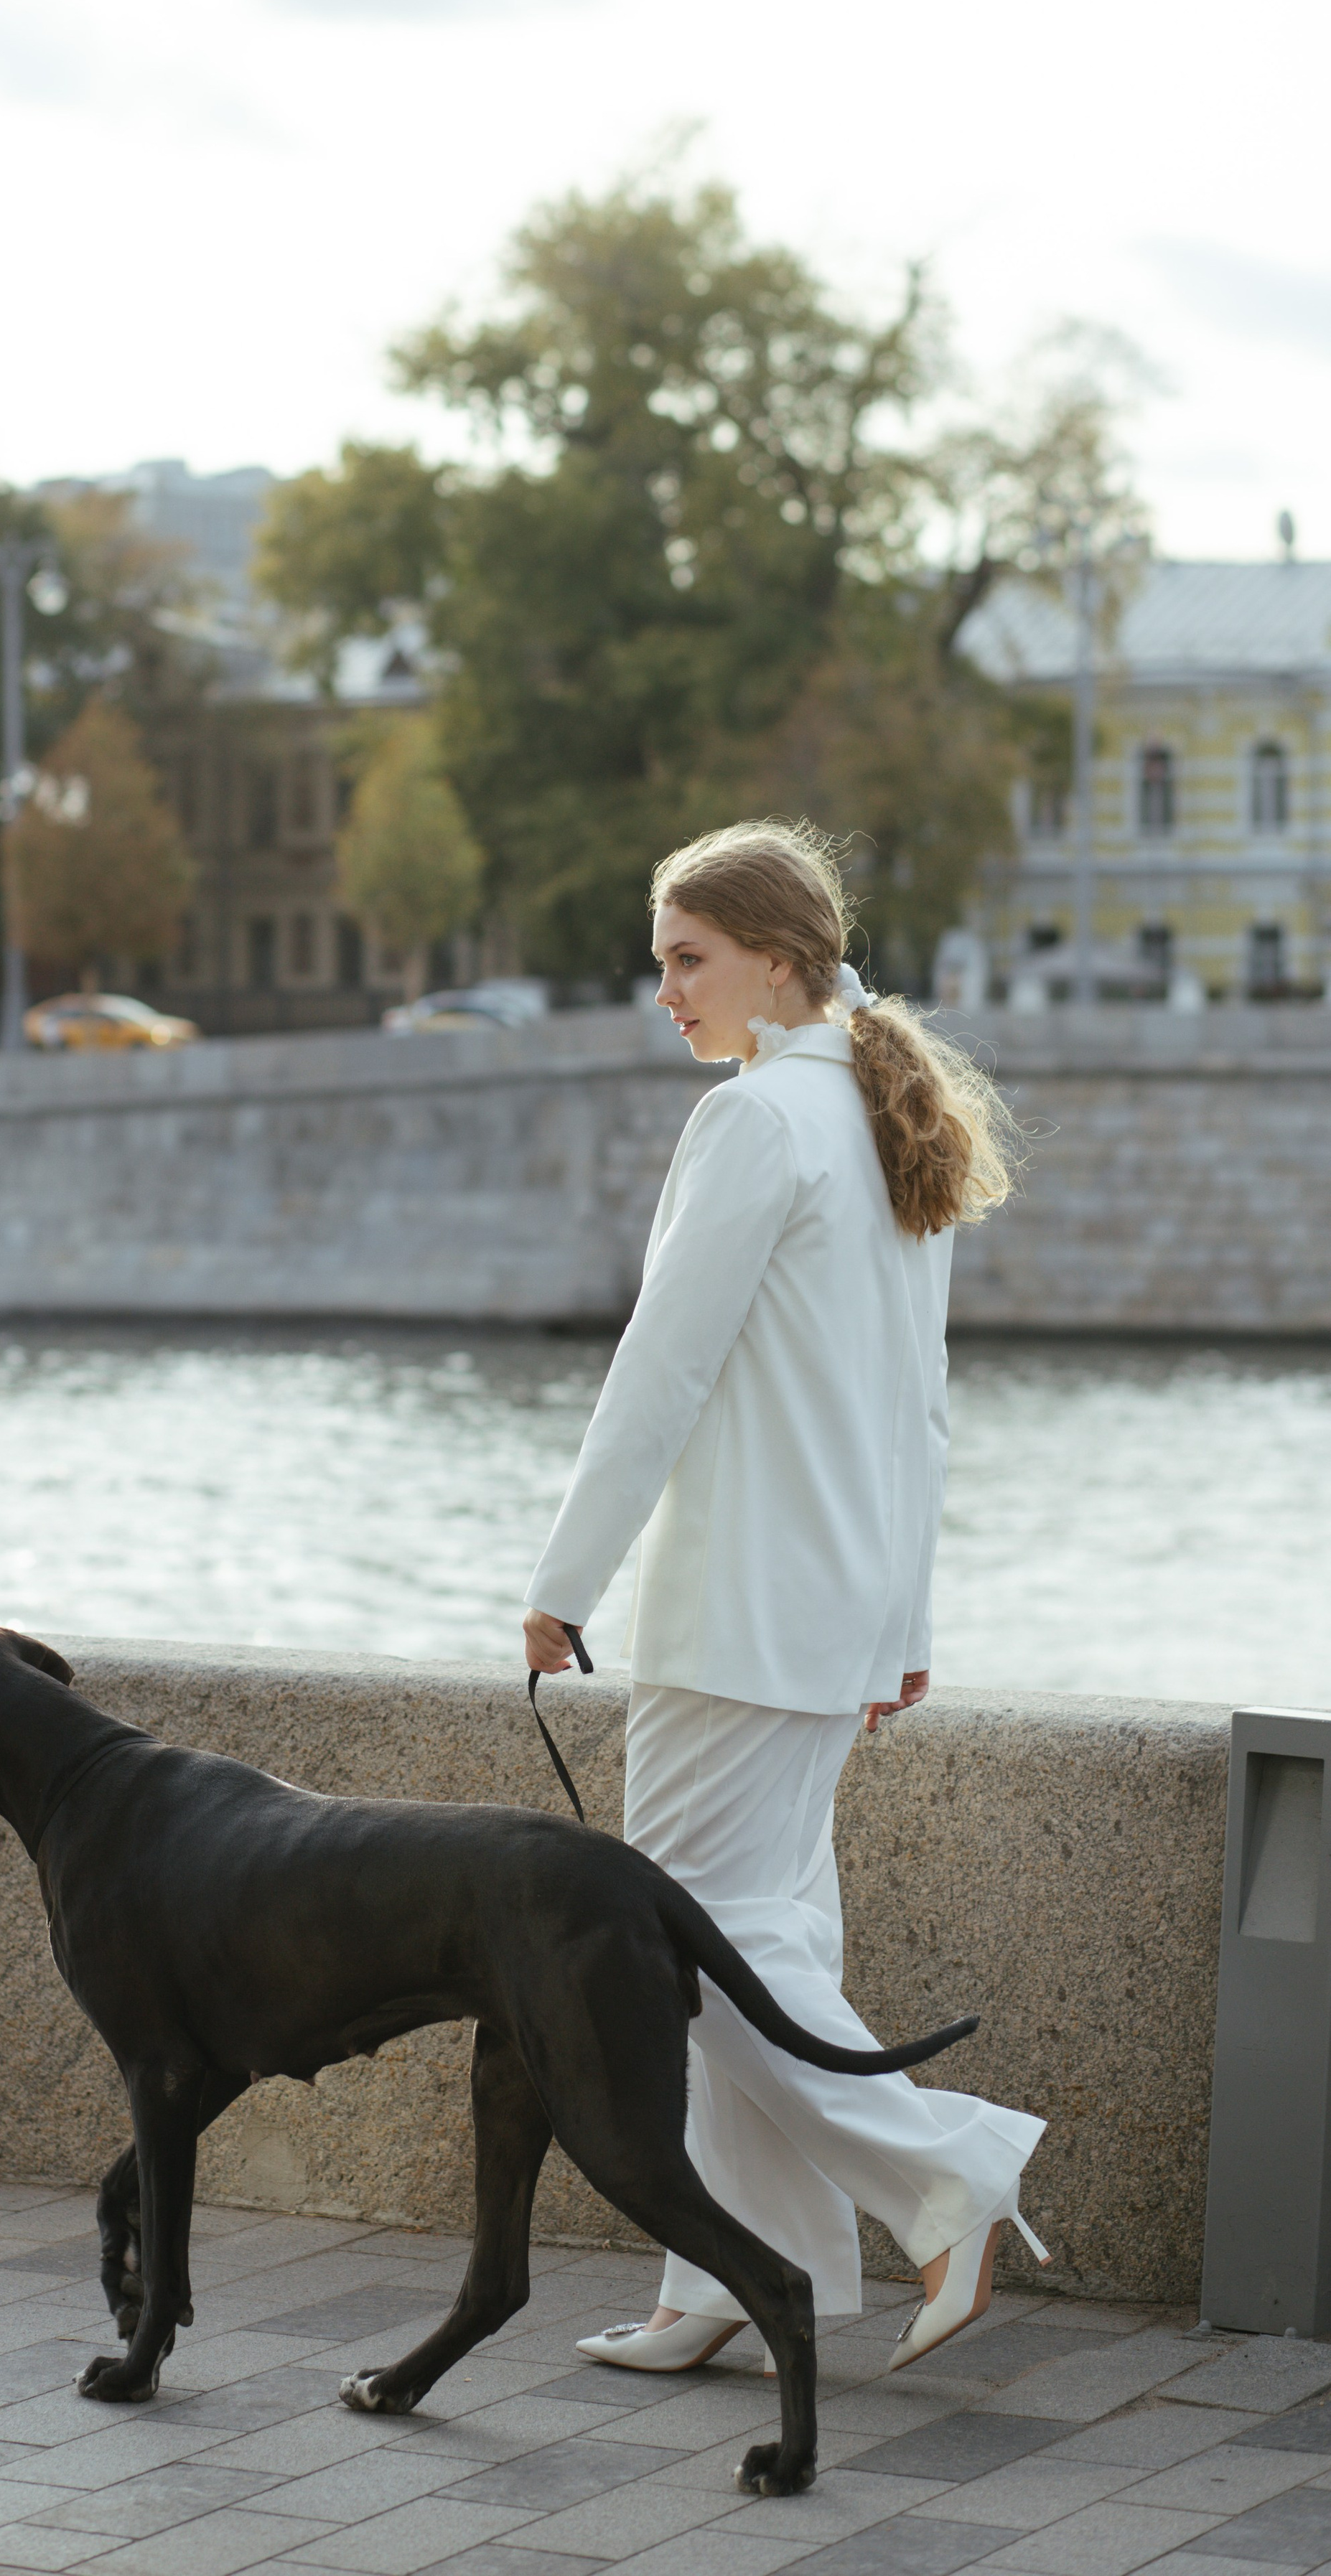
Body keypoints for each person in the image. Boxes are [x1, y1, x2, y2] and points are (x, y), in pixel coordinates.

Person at [523, 819, 1047, 2377]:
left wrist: (562, 1580)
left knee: (686, 1942)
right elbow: (919, 1411)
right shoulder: (882, 1125)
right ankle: (741, 2283)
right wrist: (904, 1626)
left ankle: (938, 2178)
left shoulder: (756, 1125)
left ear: (774, 958)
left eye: (686, 959)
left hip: (739, 1616)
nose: (665, 991)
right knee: (760, 1940)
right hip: (827, 1619)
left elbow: (659, 1373)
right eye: (660, 962)